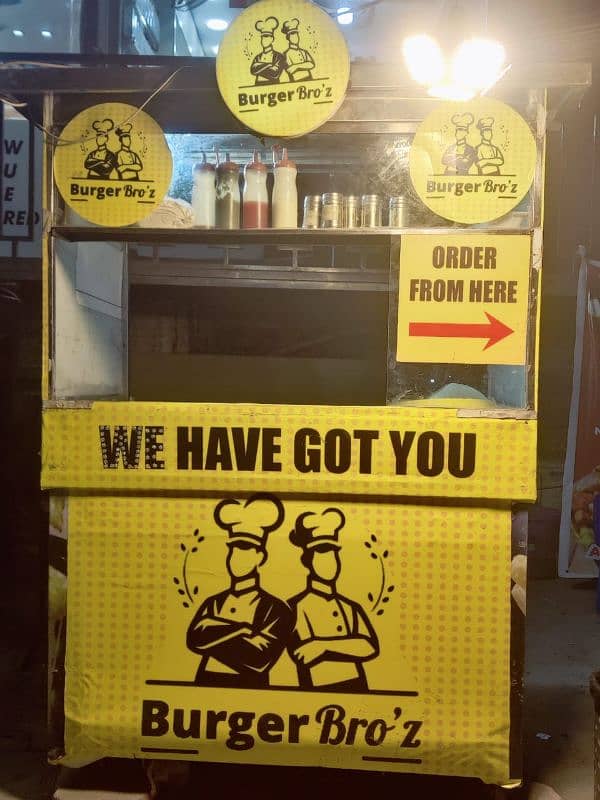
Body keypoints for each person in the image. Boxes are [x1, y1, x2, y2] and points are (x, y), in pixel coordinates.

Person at [187, 493, 295, 688]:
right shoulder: (214, 601)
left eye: (245, 549)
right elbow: (194, 639)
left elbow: (259, 659)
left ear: (260, 557)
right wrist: (240, 630)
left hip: (251, 689)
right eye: (234, 549)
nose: (237, 556)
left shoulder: (277, 608)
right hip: (206, 682)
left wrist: (212, 637)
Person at [288, 508, 379, 692]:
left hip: (358, 686)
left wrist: (323, 646)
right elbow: (303, 654)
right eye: (322, 553)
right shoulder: (295, 606)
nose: (330, 561)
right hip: (317, 690)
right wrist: (349, 646)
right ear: (308, 560)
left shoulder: (350, 606)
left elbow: (369, 646)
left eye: (333, 553)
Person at [250, 17, 287, 84]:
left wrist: (259, 67)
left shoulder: (279, 56)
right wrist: (269, 65)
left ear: (272, 39)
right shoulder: (258, 57)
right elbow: (253, 70)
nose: (264, 40)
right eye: (262, 37)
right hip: (258, 86)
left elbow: (275, 74)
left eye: (266, 37)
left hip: (274, 86)